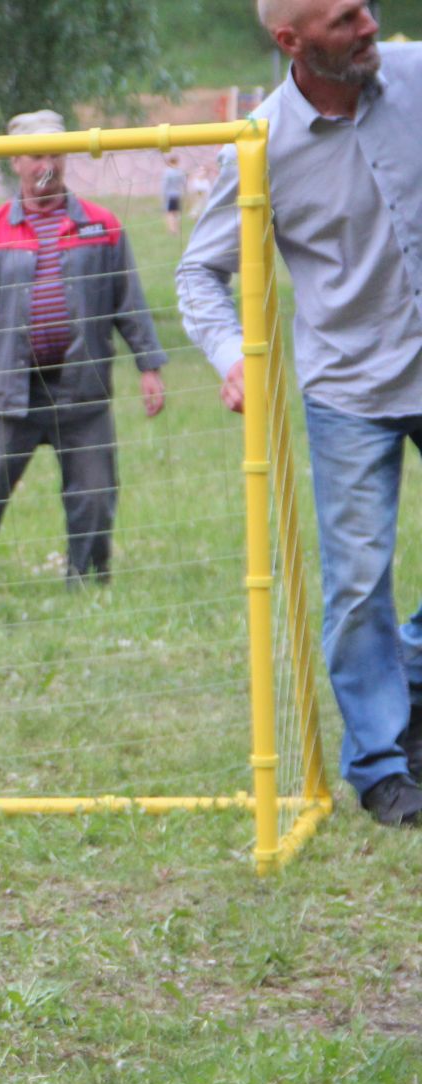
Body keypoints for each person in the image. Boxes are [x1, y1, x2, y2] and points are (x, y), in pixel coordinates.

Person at [176, 1, 422, 826]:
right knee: (358, 588)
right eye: (345, 18)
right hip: (349, 390)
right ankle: (383, 764)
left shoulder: (417, 75)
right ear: (292, 42)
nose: (368, 26)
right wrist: (232, 356)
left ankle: (410, 676)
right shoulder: (260, 145)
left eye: (368, 9)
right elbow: (197, 276)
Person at [0, 110, 168, 603]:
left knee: (94, 497)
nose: (48, 164)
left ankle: (86, 584)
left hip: (81, 391)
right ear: (16, 161)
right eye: (37, 155)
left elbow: (128, 302)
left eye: (56, 154)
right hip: (10, 392)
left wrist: (148, 365)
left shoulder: (103, 227)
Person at [161, 154, 186, 235]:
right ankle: (177, 229)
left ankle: (172, 230)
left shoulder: (167, 172)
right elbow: (184, 182)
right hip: (178, 194)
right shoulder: (180, 171)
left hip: (170, 195)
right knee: (177, 213)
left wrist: (163, 196)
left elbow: (165, 185)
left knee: (169, 213)